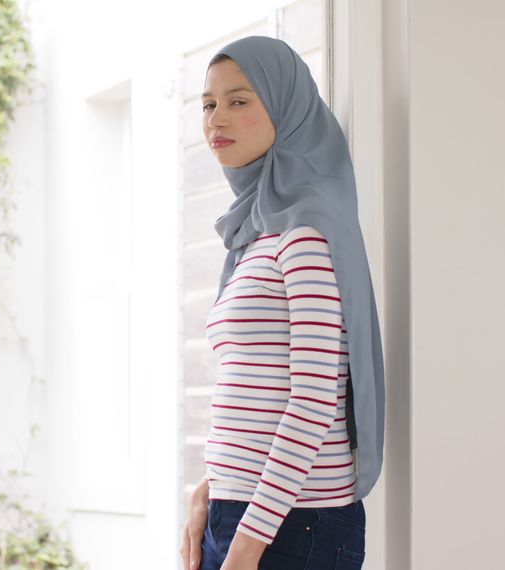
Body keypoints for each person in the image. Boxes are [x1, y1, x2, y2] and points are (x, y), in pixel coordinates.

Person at [179, 35, 386, 570]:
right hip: (244, 513)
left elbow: (313, 400)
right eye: (208, 103)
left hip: (292, 525)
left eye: (239, 100)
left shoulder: (307, 233)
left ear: (286, 108)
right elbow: (256, 385)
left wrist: (246, 547)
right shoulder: (257, 238)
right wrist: (208, 490)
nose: (215, 118)